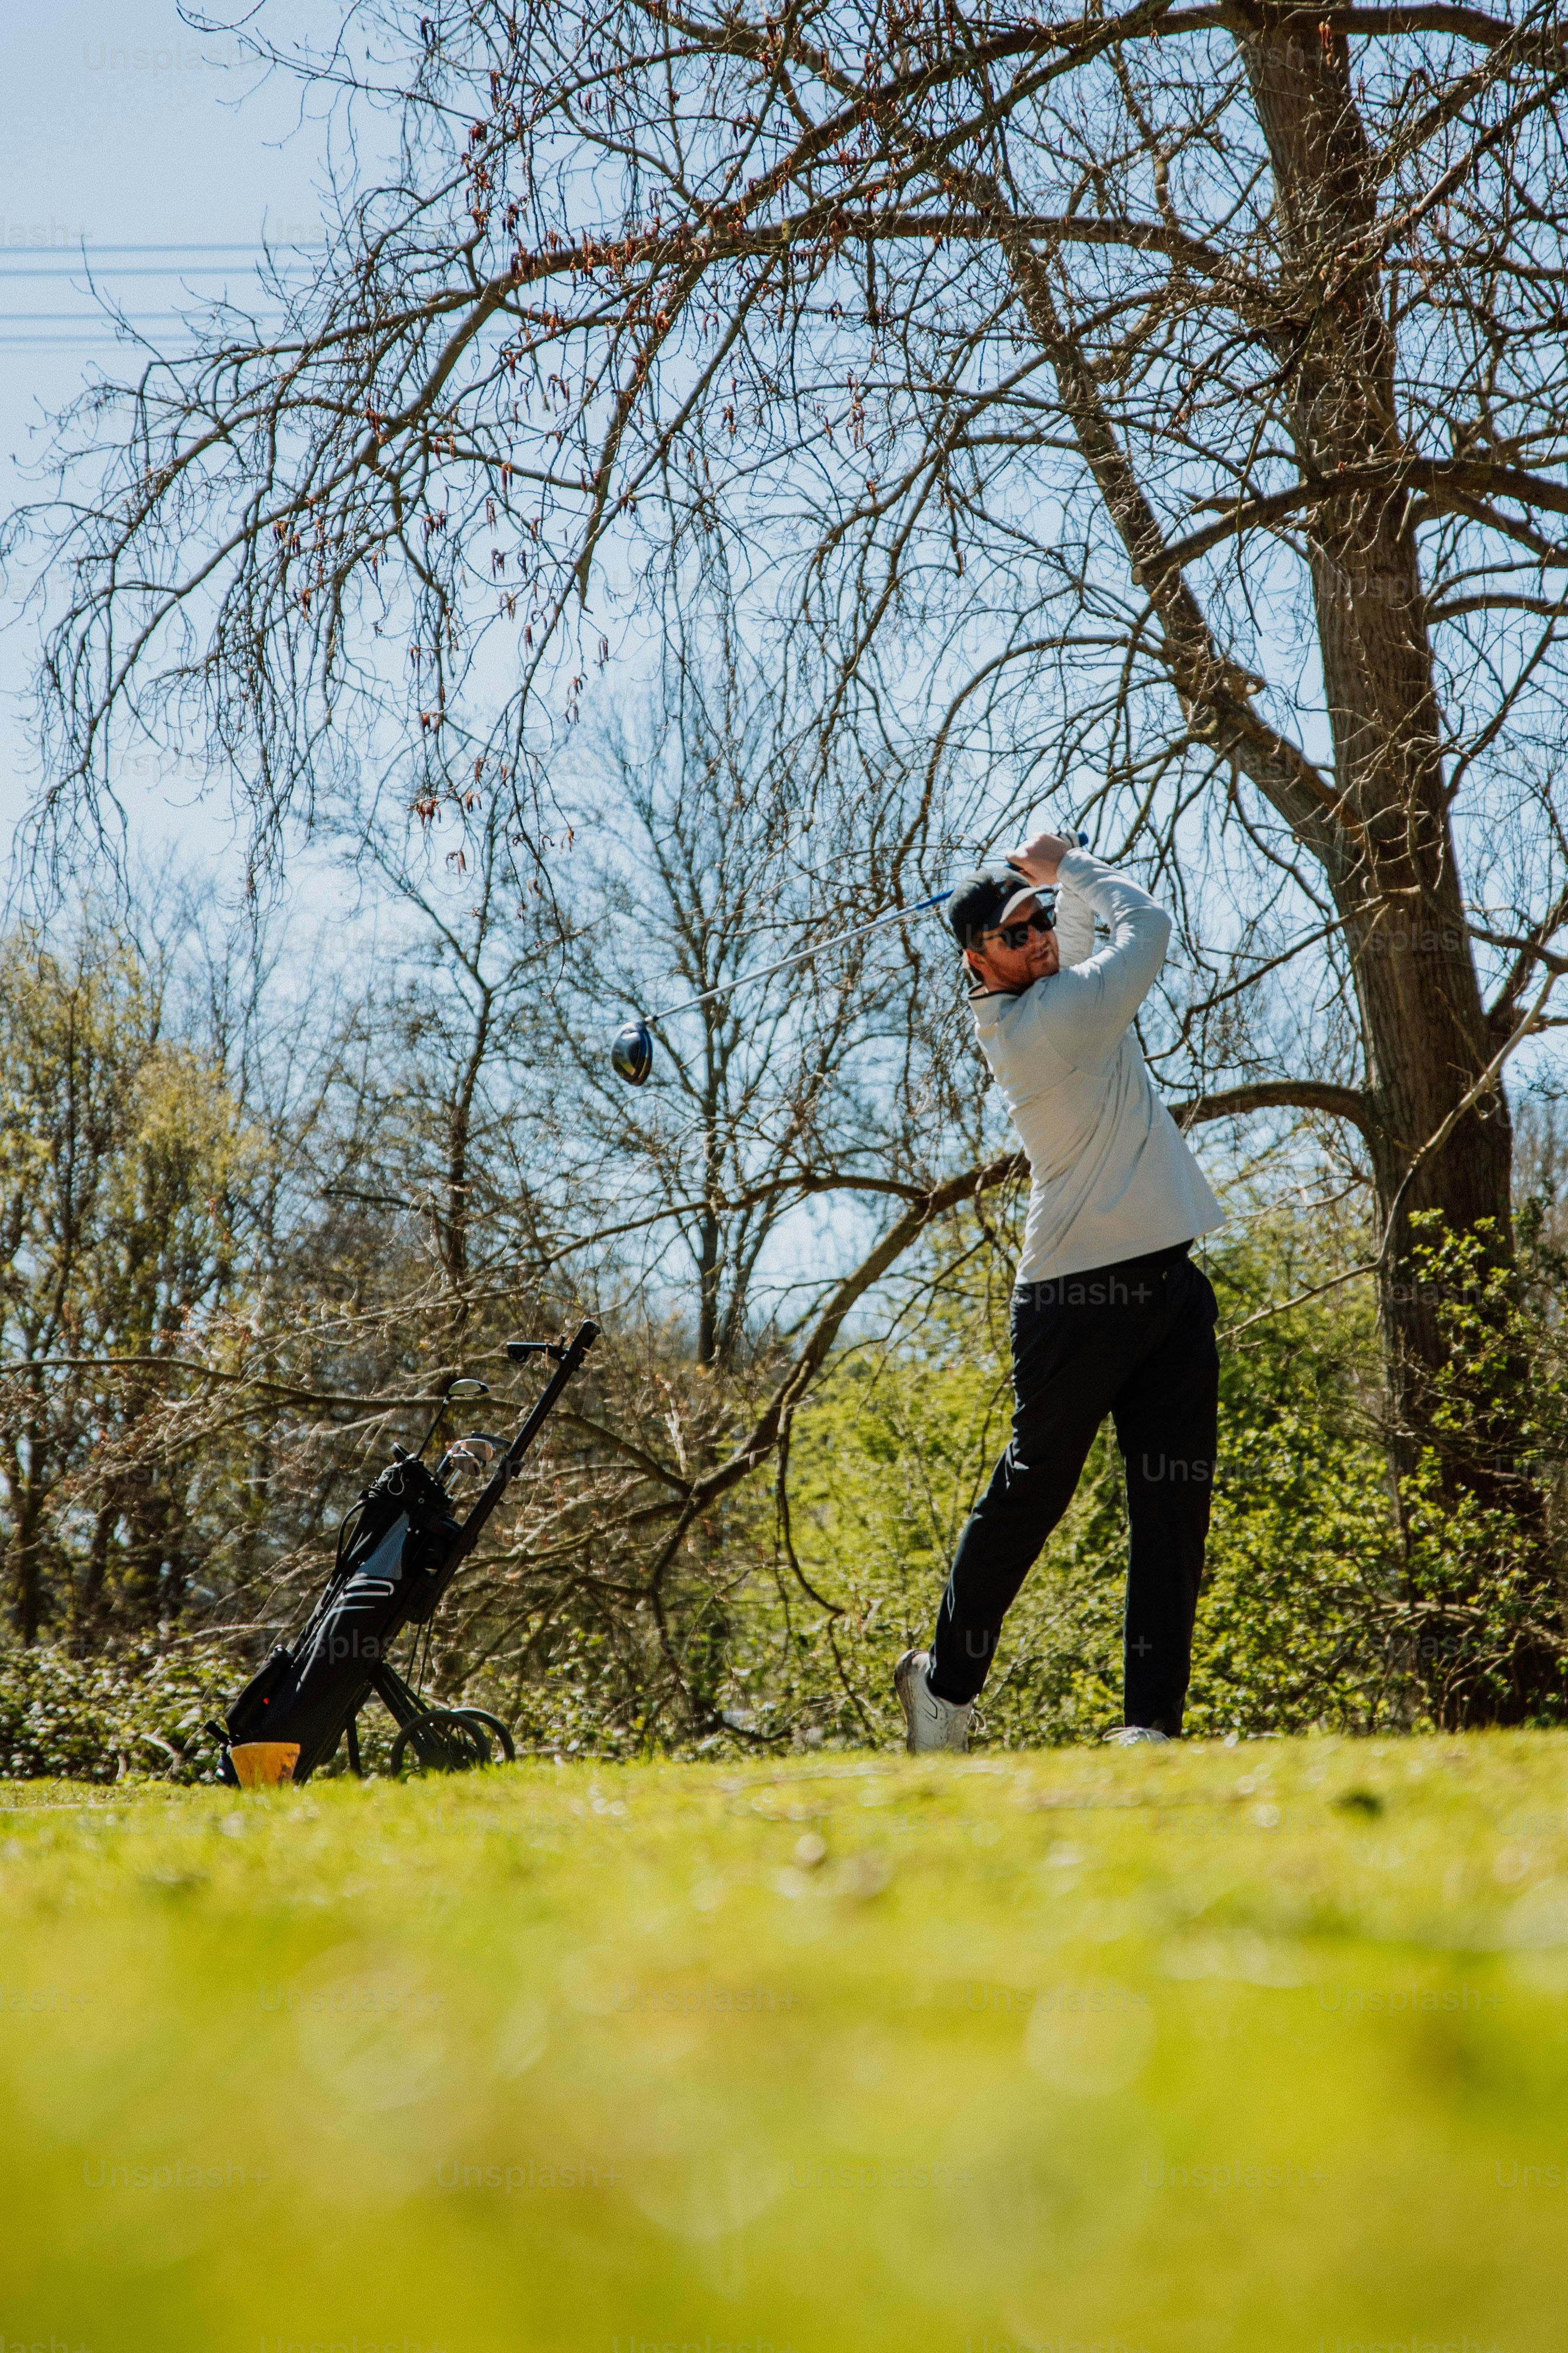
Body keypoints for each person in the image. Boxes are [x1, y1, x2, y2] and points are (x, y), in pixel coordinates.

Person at [895, 827, 1224, 1753]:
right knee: (1033, 1494)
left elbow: (1081, 932)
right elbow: (1147, 927)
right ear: (977, 961)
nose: (1039, 936)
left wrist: (1050, 876)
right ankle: (945, 1690)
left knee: (1174, 1504)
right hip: (1075, 1300)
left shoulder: (1051, 986)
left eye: (1038, 921)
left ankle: (1149, 1727)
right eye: (1015, 932)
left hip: (1169, 1286)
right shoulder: (1050, 1021)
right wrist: (1065, 868)